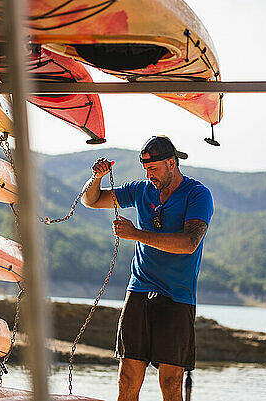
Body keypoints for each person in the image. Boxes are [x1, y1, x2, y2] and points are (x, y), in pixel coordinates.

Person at [80, 136, 214, 401]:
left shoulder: (198, 194)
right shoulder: (140, 189)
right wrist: (96, 177)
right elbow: (91, 201)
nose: (148, 174)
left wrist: (137, 234)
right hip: (140, 289)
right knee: (128, 374)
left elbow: (190, 243)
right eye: (145, 169)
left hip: (177, 295)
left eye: (153, 169)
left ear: (171, 163)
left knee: (171, 380)